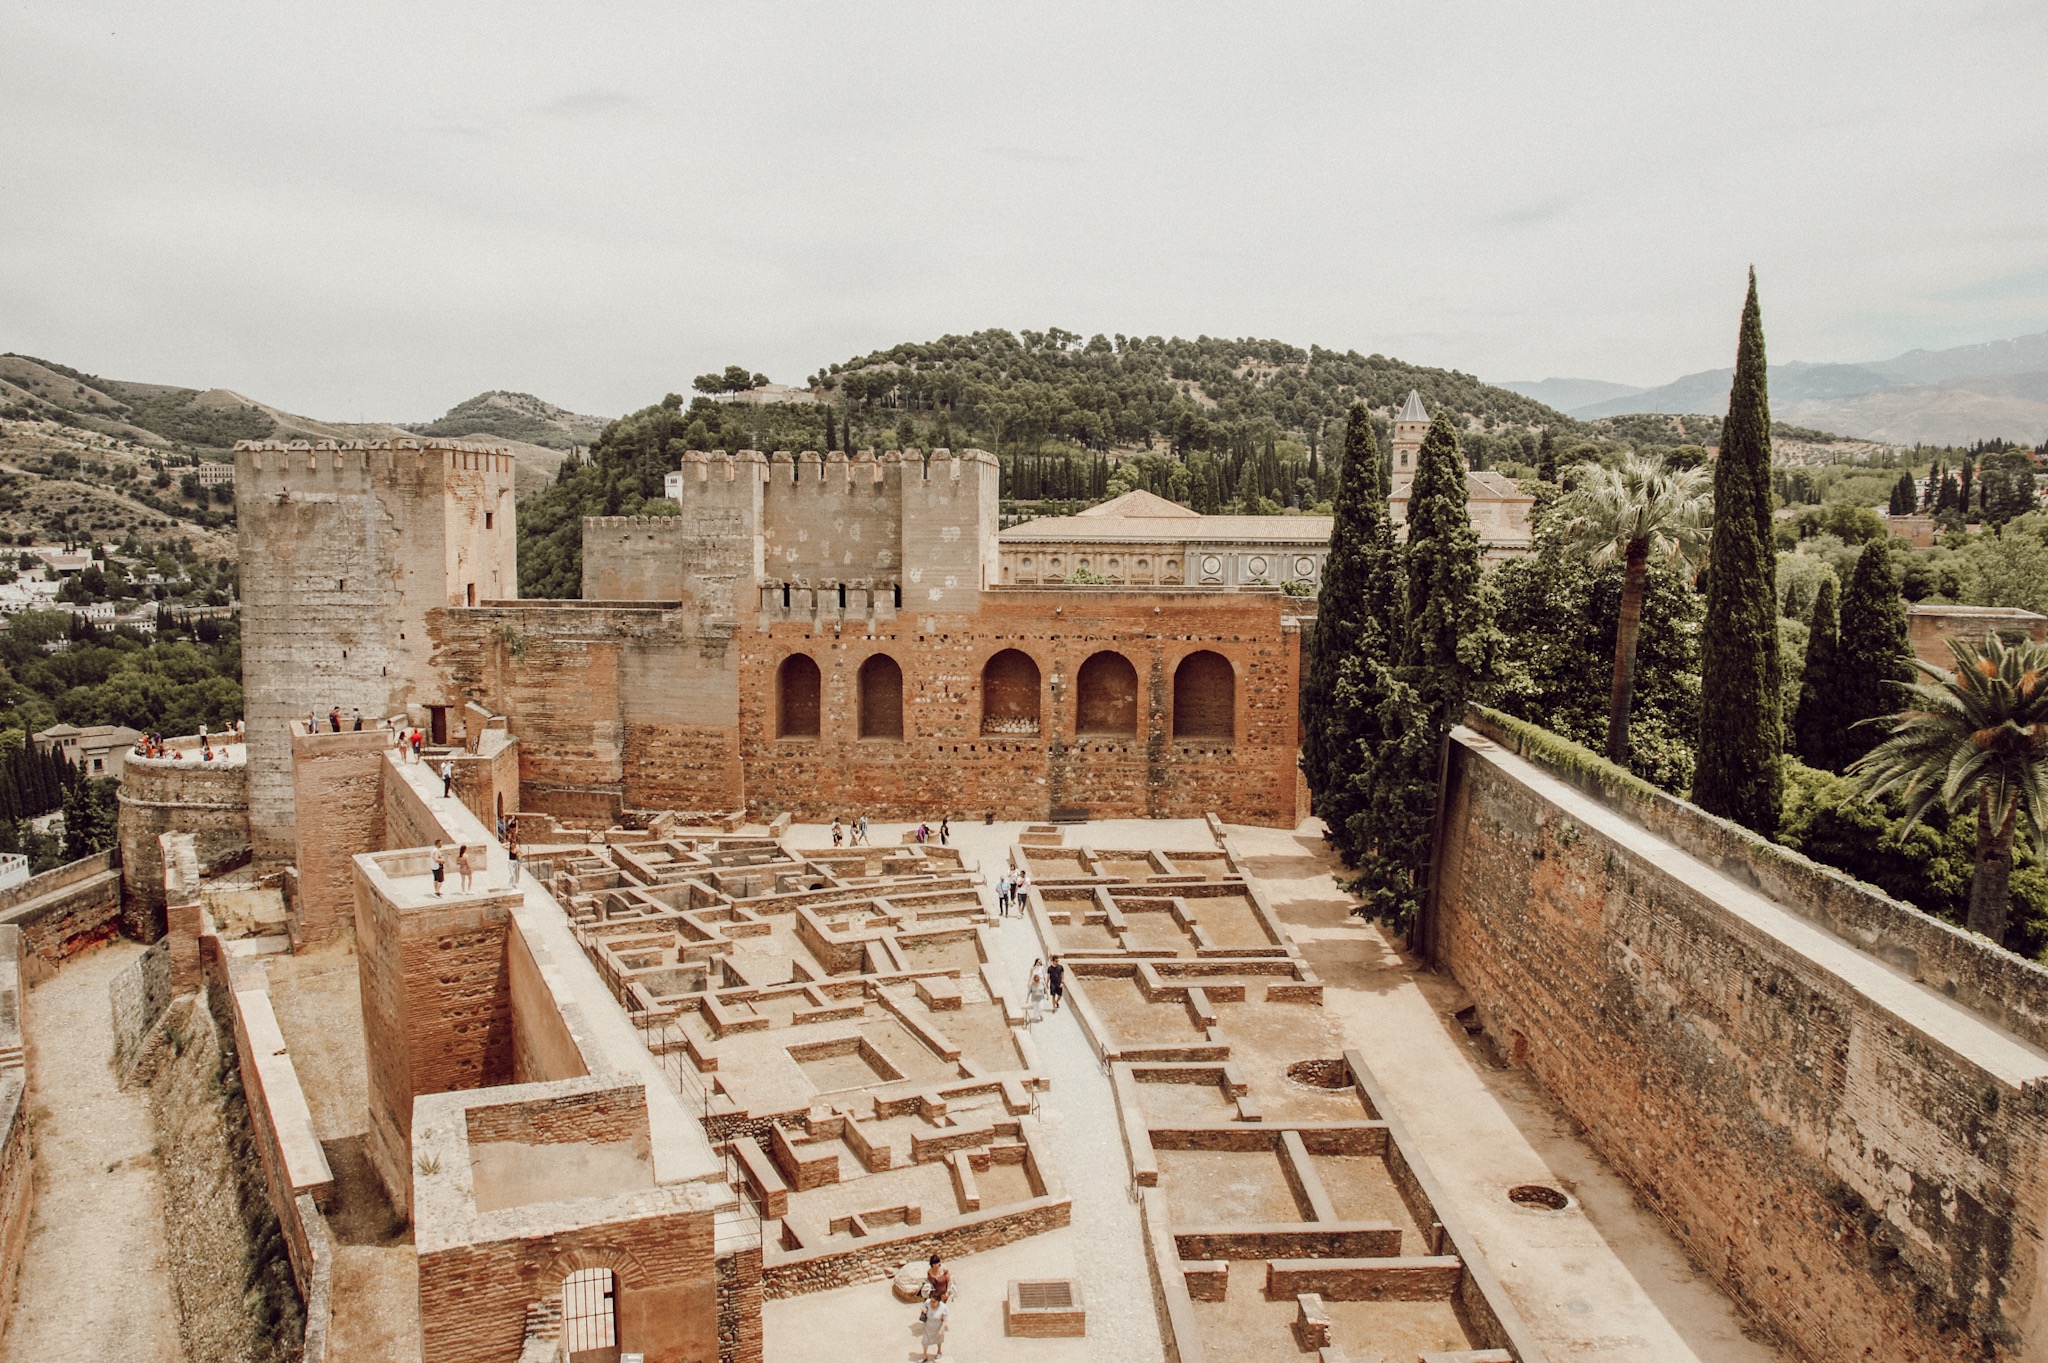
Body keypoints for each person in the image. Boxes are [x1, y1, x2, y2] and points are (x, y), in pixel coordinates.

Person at [918, 1297, 949, 1362]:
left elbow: (945, 1320)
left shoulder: (943, 1307)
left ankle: (939, 1351)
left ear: (938, 1301)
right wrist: (923, 1309)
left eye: (934, 1302)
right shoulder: (928, 1302)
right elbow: (922, 1306)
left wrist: (941, 1330)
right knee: (925, 1341)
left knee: (939, 1340)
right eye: (931, 1301)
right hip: (928, 1326)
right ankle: (924, 1356)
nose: (931, 1303)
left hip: (937, 1327)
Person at [1026, 958, 1047, 1024]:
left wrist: (1045, 983)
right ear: (1036, 962)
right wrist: (1029, 982)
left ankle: (1040, 1013)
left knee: (1040, 998)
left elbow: (1044, 976)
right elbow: (1030, 976)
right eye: (1038, 962)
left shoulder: (1042, 968)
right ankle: (1036, 1014)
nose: (1039, 963)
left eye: (1040, 962)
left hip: (1040, 981)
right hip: (1034, 981)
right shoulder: (1033, 968)